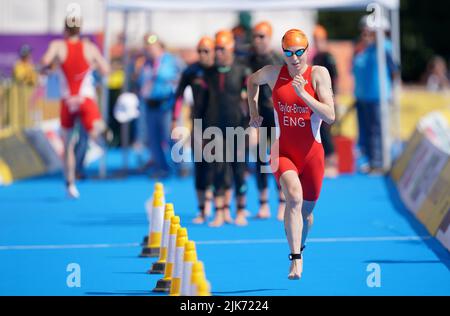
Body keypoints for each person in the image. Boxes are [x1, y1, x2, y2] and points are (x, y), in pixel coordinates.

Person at [247, 29, 335, 279]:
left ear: (307, 50)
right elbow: (252, 81)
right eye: (288, 52)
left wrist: (304, 94)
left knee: (305, 213)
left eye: (298, 52)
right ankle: (295, 258)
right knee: (293, 198)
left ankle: (301, 246)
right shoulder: (274, 73)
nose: (294, 58)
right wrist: (253, 111)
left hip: (312, 155)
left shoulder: (318, 74)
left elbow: (330, 116)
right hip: (282, 150)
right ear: (282, 52)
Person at [41, 19, 110, 198]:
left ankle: (70, 184)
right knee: (96, 132)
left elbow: (44, 63)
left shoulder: (57, 46)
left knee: (68, 145)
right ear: (80, 29)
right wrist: (92, 66)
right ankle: (102, 133)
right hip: (85, 99)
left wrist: (52, 67)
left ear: (64, 29)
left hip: (67, 101)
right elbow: (106, 69)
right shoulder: (89, 47)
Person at [204, 30, 252, 227]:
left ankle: (240, 210)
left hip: (238, 127)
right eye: (216, 49)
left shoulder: (242, 70)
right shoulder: (209, 73)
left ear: (231, 48)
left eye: (221, 49)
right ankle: (220, 212)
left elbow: (252, 99)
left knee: (238, 170)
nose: (218, 53)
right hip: (215, 127)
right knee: (217, 170)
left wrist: (253, 126)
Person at [244, 21, 286, 220]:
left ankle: (283, 202)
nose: (257, 41)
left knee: (279, 160)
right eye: (255, 36)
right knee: (259, 159)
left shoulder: (279, 59)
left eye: (262, 36)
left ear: (269, 38)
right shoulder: (248, 60)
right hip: (256, 115)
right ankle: (263, 204)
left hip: (276, 115)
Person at [171, 36, 215, 224]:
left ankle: (218, 203)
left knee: (219, 165)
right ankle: (202, 208)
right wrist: (175, 119)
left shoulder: (220, 70)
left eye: (206, 51)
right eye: (200, 51)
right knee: (200, 165)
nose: (203, 55)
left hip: (219, 124)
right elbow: (179, 96)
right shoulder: (191, 71)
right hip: (198, 123)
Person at [353, 15, 397, 174]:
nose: (364, 34)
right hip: (363, 96)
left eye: (368, 30)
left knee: (377, 131)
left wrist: (391, 91)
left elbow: (394, 71)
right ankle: (371, 161)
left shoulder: (385, 47)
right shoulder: (364, 49)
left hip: (378, 97)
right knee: (366, 131)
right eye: (363, 31)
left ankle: (379, 162)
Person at [138, 33, 183, 178]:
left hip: (166, 105)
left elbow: (180, 77)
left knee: (170, 137)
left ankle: (178, 165)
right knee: (154, 139)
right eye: (146, 47)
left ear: (159, 46)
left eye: (151, 46)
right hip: (150, 106)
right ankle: (162, 168)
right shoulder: (145, 64)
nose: (148, 50)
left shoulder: (170, 61)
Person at [311, 25, 339, 178]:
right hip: (318, 100)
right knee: (320, 131)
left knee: (327, 132)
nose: (317, 43)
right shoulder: (315, 57)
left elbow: (336, 79)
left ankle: (332, 161)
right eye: (315, 40)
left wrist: (336, 99)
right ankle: (324, 161)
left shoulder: (328, 57)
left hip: (328, 99)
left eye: (319, 40)